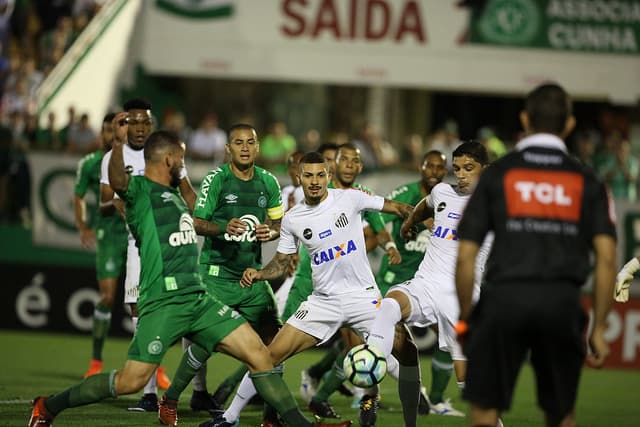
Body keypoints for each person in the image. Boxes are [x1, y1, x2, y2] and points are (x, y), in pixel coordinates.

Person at [28, 127, 351, 427]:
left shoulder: (174, 194)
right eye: (180, 158)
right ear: (169, 159)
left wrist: (223, 218)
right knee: (131, 381)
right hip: (164, 301)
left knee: (261, 355)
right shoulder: (141, 191)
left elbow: (200, 212)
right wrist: (116, 145)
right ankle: (49, 406)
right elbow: (118, 183)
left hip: (197, 297)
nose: (184, 163)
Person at [201, 151, 413, 427]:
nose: (314, 181)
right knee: (267, 356)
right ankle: (230, 417)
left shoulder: (350, 198)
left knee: (405, 349)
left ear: (328, 176)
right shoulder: (293, 218)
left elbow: (399, 208)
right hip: (323, 302)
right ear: (299, 177)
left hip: (363, 298)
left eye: (320, 175)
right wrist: (261, 273)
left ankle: (387, 405)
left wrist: (415, 221)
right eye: (308, 175)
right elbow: (282, 261)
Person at [455, 83, 617, 427]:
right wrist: (600, 327)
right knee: (561, 414)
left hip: (502, 301)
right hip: (561, 302)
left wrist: (468, 318)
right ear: (569, 124)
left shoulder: (497, 174)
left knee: (485, 411)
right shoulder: (588, 181)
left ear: (525, 119)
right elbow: (606, 258)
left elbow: (466, 255)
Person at [164, 123, 285, 423]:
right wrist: (222, 227)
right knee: (205, 344)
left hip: (252, 277)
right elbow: (197, 221)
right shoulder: (216, 179)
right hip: (216, 276)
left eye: (250, 142)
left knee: (275, 342)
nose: (245, 147)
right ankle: (169, 399)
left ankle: (272, 414)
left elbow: (279, 227)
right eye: (238, 142)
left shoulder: (269, 182)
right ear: (228, 148)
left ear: (258, 147)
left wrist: (268, 232)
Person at [366, 141, 492, 427]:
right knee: (388, 305)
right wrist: (409, 222)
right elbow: (427, 204)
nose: (461, 175)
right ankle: (370, 370)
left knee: (467, 383)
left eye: (469, 169)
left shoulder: (495, 204)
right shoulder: (443, 192)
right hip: (426, 283)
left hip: (460, 298)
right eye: (457, 168)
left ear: (485, 170)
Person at [97, 98, 195, 411]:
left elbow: (187, 192)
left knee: (187, 312)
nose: (139, 128)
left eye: (144, 123)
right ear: (124, 125)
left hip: (173, 242)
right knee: (139, 310)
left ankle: (196, 389)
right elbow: (104, 199)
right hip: (137, 244)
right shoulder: (114, 156)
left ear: (151, 125)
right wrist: (118, 204)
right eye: (133, 122)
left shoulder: (166, 151)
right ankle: (150, 394)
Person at [375, 150, 462, 416]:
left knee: (449, 340)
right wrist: (391, 242)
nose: (434, 172)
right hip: (399, 278)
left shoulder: (452, 197)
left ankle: (435, 398)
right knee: (372, 336)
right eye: (430, 167)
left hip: (432, 281)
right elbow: (377, 218)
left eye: (440, 167)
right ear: (421, 168)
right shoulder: (407, 193)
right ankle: (365, 394)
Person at [75, 113, 128, 379]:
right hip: (108, 237)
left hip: (133, 236)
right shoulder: (92, 163)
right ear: (102, 133)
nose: (111, 135)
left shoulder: (137, 160)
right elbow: (79, 195)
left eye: (115, 129)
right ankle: (96, 360)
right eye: (107, 130)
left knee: (144, 303)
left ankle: (155, 369)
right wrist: (83, 226)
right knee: (107, 297)